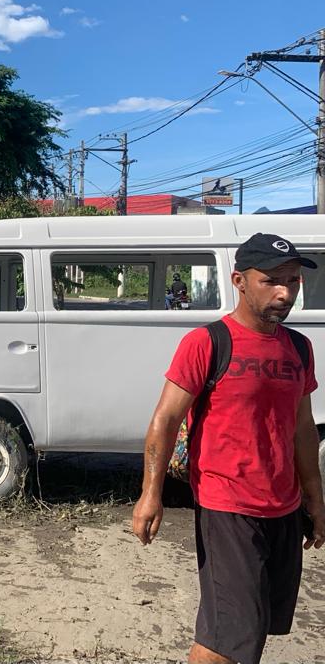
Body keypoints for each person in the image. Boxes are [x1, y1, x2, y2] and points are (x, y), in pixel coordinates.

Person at [132, 232, 325, 664]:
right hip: (227, 506)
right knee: (227, 637)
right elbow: (164, 420)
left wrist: (315, 498)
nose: (285, 292)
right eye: (272, 281)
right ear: (239, 280)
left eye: (292, 281)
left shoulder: (298, 347)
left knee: (254, 629)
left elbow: (302, 426)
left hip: (283, 507)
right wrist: (151, 494)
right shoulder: (207, 343)